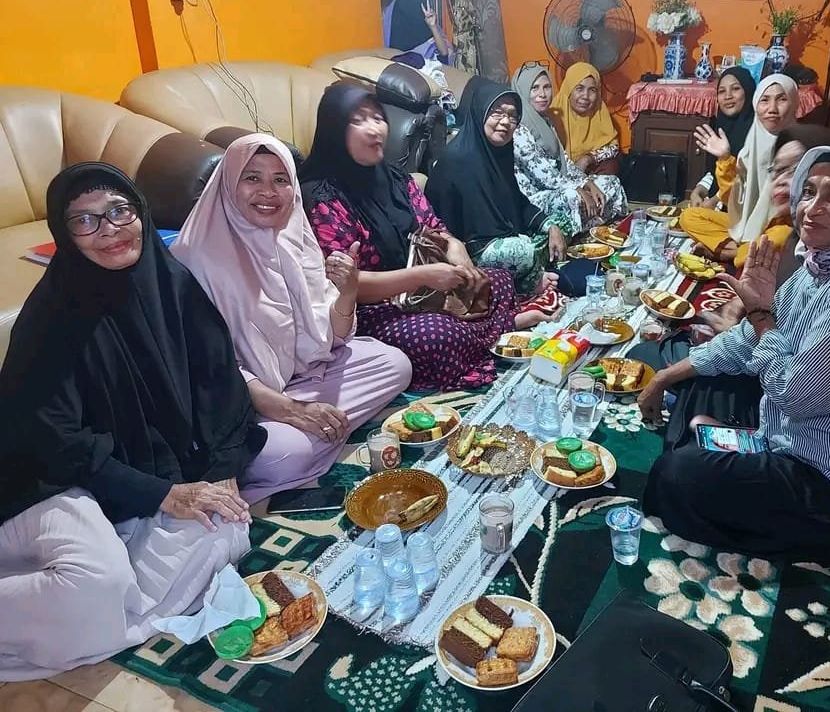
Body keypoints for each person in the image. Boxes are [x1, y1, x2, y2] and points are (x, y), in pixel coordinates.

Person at [0, 164, 265, 680]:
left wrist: (222, 469)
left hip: (118, 482)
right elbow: (55, 442)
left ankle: (97, 614)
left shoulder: (170, 282)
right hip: (42, 483)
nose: (110, 230)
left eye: (119, 211)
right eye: (85, 220)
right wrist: (162, 494)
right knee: (98, 581)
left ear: (140, 211)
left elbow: (220, 383)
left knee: (225, 526)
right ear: (64, 234)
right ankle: (99, 605)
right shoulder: (52, 315)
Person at [639, 143, 830, 574]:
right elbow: (745, 341)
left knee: (677, 475)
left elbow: (796, 395)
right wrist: (665, 377)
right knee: (704, 379)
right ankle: (731, 449)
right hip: (805, 435)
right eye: (809, 191)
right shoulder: (824, 264)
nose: (813, 208)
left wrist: (761, 314)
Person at [171, 135, 412, 503]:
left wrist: (347, 291)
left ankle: (324, 428)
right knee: (285, 456)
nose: (268, 192)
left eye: (280, 179)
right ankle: (321, 431)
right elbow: (212, 373)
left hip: (304, 377)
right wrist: (292, 411)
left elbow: (333, 337)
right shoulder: (195, 259)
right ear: (228, 182)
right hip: (241, 405)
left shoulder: (293, 235)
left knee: (394, 364)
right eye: (252, 178)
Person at [301, 82, 525, 391]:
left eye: (377, 117)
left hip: (423, 292)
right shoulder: (322, 197)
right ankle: (495, 330)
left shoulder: (394, 177)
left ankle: (484, 333)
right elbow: (348, 286)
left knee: (499, 279)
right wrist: (423, 276)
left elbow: (431, 225)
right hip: (371, 310)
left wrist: (455, 245)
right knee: (438, 336)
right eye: (358, 120)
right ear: (334, 129)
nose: (374, 128)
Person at [630, 125, 830, 447]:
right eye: (777, 170)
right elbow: (750, 332)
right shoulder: (806, 249)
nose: (783, 180)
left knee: (661, 368)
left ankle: (719, 421)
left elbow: (794, 387)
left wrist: (754, 318)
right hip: (766, 366)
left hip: (792, 417)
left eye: (796, 171)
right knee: (652, 355)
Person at [428, 77, 596, 298]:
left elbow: (517, 200)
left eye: (512, 115)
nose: (505, 121)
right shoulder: (459, 159)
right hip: (471, 251)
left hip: (505, 235)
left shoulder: (500, 153)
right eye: (497, 113)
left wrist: (550, 226)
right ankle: (530, 282)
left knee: (560, 223)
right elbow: (449, 227)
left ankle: (535, 268)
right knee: (523, 251)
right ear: (480, 114)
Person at [679, 74, 799, 263]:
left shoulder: (800, 144)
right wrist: (724, 158)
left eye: (781, 99)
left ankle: (729, 253)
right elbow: (734, 197)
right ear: (756, 103)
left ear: (794, 102)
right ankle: (745, 251)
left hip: (777, 225)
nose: (772, 109)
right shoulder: (751, 144)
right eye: (765, 100)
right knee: (688, 217)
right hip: (744, 219)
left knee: (782, 238)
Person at [510, 62, 629, 232]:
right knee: (573, 197)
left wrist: (587, 183)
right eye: (534, 88)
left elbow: (564, 161)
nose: (542, 94)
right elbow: (546, 175)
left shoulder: (546, 121)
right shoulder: (519, 129)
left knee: (611, 183)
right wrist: (579, 188)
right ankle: (582, 227)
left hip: (562, 185)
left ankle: (591, 221)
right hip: (535, 197)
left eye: (546, 87)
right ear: (522, 90)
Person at [688, 66, 757, 207]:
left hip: (744, 209)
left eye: (735, 89)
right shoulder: (720, 127)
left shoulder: (757, 132)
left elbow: (748, 182)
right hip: (719, 204)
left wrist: (715, 201)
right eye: (722, 91)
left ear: (748, 92)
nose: (728, 96)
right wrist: (698, 191)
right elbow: (714, 172)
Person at [549, 62, 621, 176]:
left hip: (591, 170)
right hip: (561, 174)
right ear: (569, 90)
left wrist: (588, 158)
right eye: (579, 88)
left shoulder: (599, 110)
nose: (585, 96)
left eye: (592, 90)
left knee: (611, 165)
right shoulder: (553, 114)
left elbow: (613, 147)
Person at [383, 0, 454, 66]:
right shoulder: (390, 22)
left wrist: (432, 26)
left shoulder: (428, 22)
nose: (411, 2)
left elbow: (444, 53)